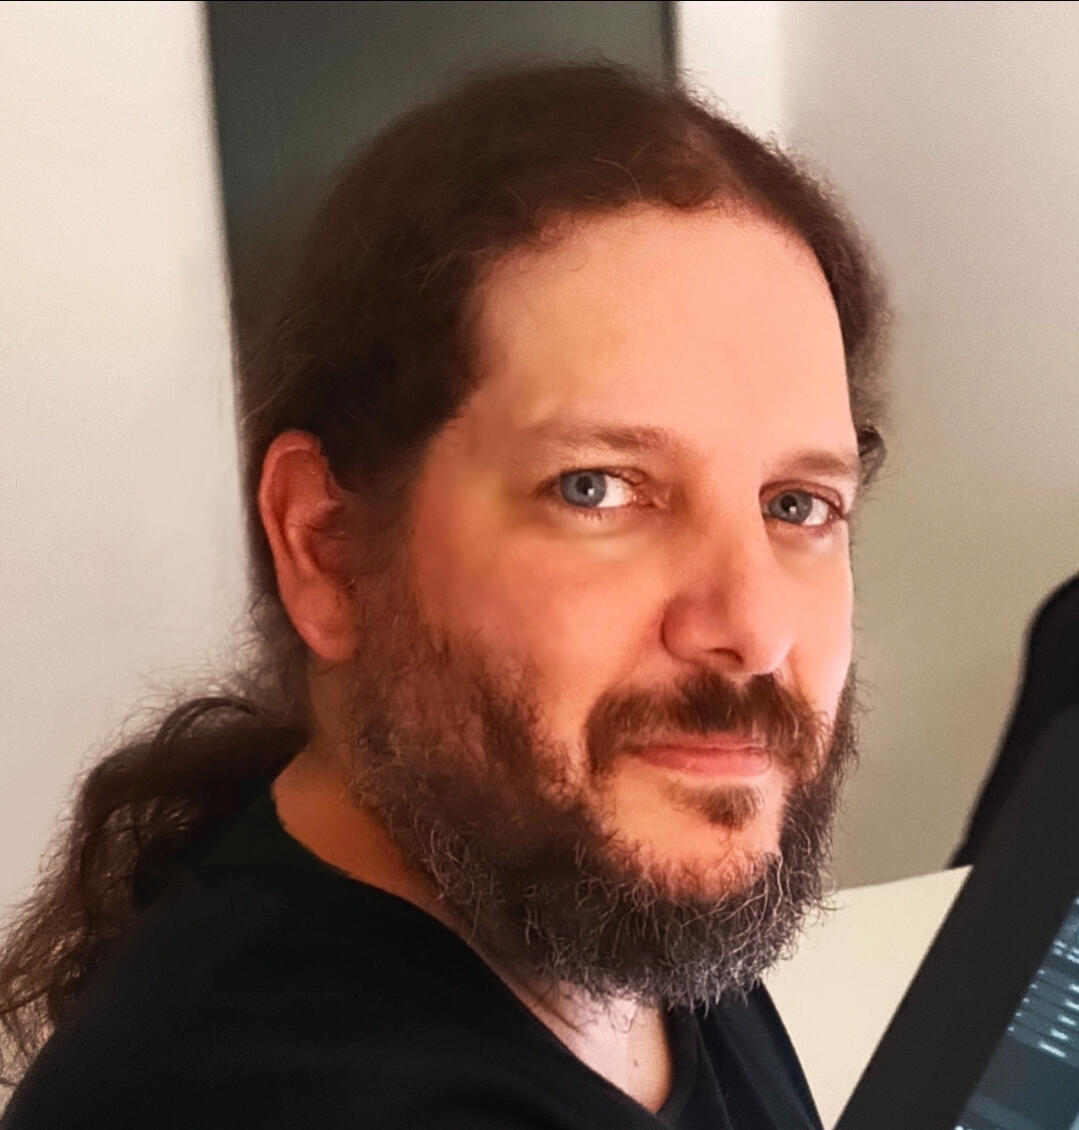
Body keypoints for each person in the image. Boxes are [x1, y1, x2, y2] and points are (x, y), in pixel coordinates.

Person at [0, 62, 888, 1128]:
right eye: (596, 488)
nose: (749, 627)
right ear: (327, 546)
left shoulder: (592, 891)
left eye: (795, 505)